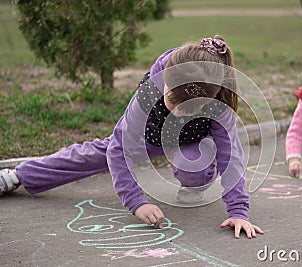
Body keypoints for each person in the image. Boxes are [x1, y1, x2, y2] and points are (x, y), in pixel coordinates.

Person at [0, 35, 264, 239]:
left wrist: (238, 212)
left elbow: (231, 157)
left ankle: (194, 182)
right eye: (170, 98)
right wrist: (136, 202)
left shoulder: (219, 105)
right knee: (94, 154)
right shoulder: (154, 86)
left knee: (196, 164)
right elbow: (118, 149)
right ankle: (19, 175)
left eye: (187, 109)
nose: (175, 111)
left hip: (192, 142)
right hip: (148, 137)